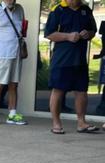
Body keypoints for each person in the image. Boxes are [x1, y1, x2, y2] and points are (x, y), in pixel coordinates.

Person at [45, 0, 99, 134]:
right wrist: (68, 36)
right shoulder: (57, 10)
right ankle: (56, 123)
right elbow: (49, 33)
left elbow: (93, 30)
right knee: (58, 90)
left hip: (79, 60)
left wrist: (88, 34)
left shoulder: (86, 9)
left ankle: (82, 123)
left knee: (81, 91)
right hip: (62, 60)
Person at [0, 0, 26, 126]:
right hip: (2, 53)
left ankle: (12, 114)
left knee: (14, 84)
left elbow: (22, 29)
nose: (12, 0)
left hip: (16, 52)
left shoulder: (20, 9)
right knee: (0, 84)